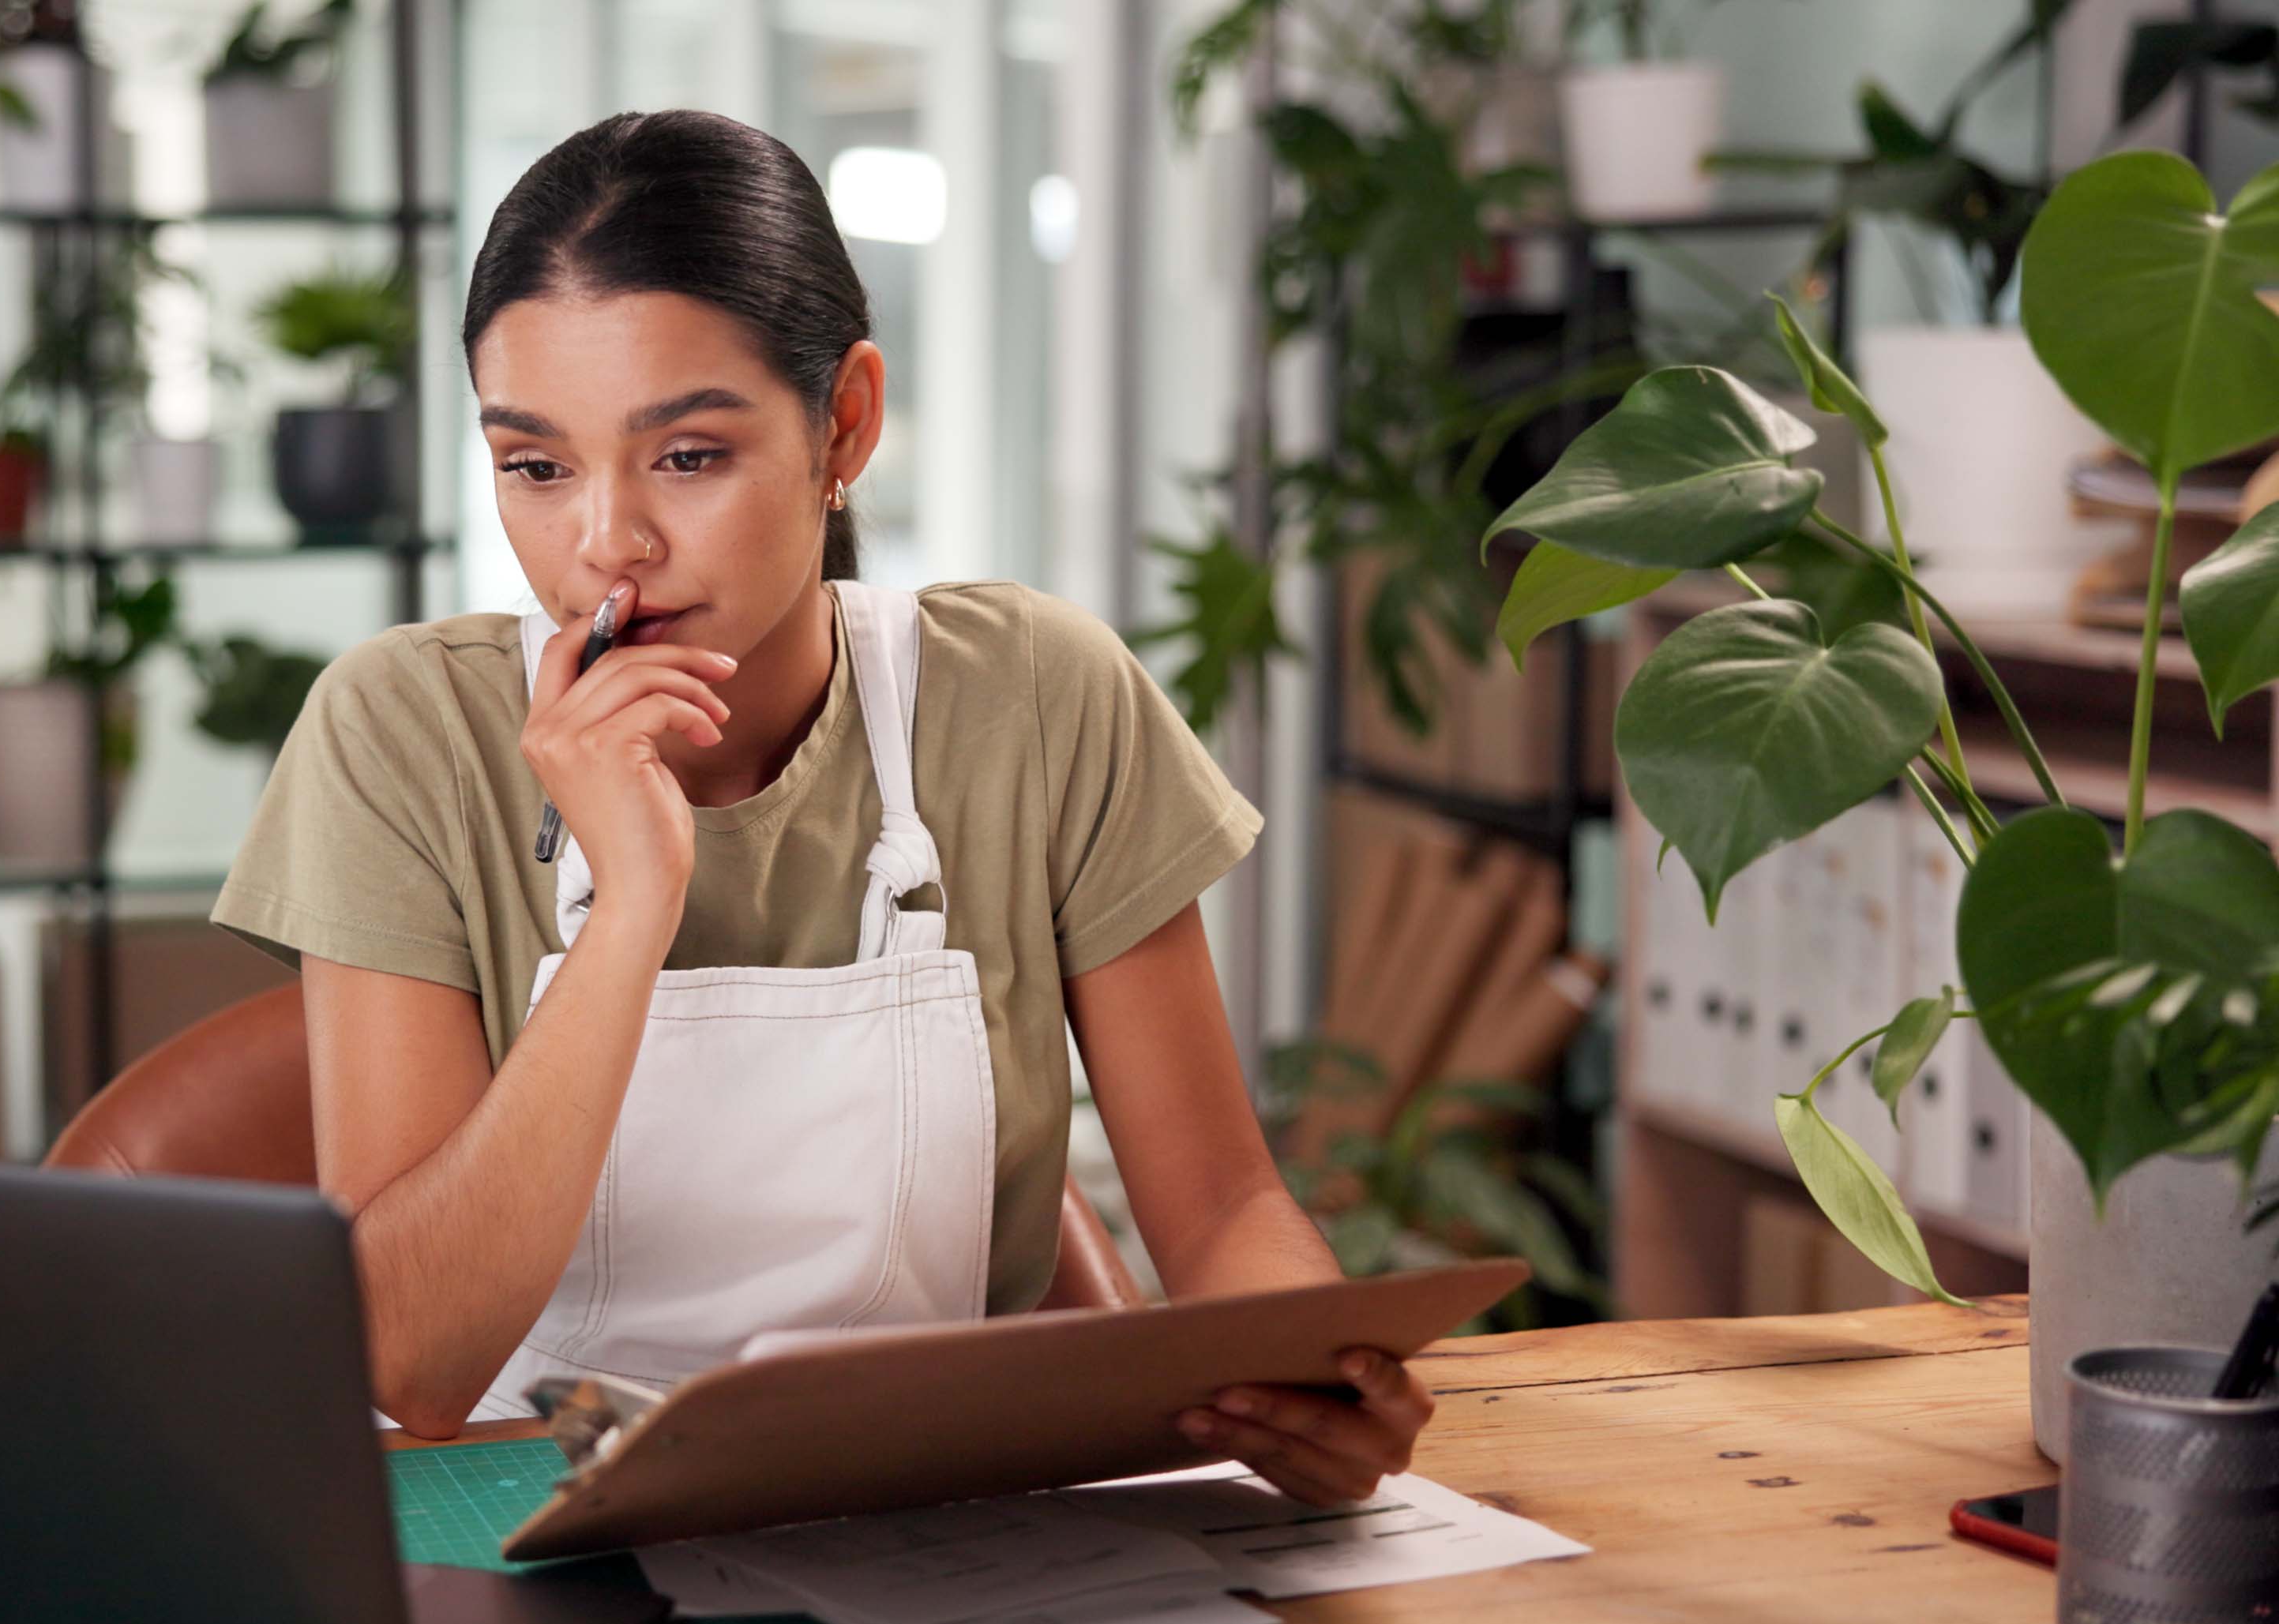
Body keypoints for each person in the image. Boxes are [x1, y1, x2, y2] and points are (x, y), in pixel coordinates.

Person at [210, 109, 1431, 1507]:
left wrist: (1308, 1386)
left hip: (923, 1514)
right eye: (536, 466)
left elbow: (1221, 1214)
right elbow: (415, 1361)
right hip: (507, 1517)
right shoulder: (400, 732)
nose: (606, 543)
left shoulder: (1034, 696)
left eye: (687, 456)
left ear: (843, 423)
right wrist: (631, 913)